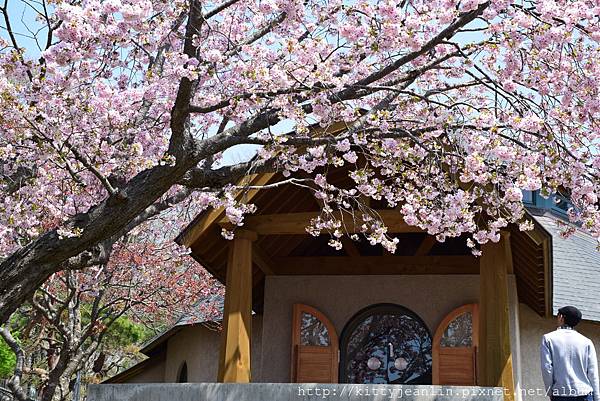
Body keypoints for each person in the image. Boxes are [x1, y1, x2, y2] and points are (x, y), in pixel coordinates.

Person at [541, 306, 600, 401]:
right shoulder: (587, 342)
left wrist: (550, 392)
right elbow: (593, 373)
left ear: (561, 317)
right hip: (585, 393)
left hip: (561, 393)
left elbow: (547, 368)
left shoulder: (548, 339)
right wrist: (597, 398)